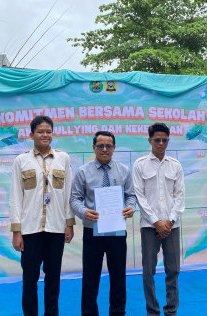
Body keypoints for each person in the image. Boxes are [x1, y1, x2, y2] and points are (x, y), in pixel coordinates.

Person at [10, 115, 75, 316]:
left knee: (53, 278)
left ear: (53, 134)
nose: (45, 135)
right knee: (29, 278)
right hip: (30, 229)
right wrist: (17, 231)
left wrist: (69, 224)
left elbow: (68, 193)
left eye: (48, 131)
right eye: (40, 132)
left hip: (56, 228)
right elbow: (15, 197)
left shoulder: (63, 159)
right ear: (31, 135)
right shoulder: (21, 161)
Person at [70, 131, 136, 316]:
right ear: (94, 148)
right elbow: (74, 199)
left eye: (108, 146)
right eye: (100, 146)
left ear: (114, 148)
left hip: (117, 232)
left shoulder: (124, 170)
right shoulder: (83, 171)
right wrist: (84, 212)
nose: (104, 149)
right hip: (92, 232)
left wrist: (131, 207)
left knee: (118, 277)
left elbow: (131, 195)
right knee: (90, 278)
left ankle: (118, 313)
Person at [133, 122, 185, 316]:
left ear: (168, 141)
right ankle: (152, 311)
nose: (161, 143)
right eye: (157, 140)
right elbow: (139, 196)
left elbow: (180, 196)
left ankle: (171, 310)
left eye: (164, 140)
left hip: (172, 226)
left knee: (173, 270)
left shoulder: (175, 165)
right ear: (150, 140)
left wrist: (169, 222)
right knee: (149, 271)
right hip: (149, 226)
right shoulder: (140, 165)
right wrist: (156, 222)